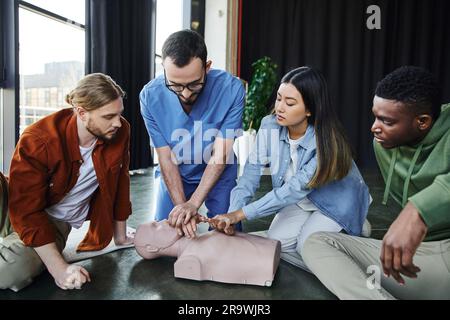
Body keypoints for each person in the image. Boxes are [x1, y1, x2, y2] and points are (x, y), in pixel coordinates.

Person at [302, 66, 450, 299]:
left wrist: (418, 210)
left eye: (387, 121)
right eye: (375, 116)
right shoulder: (382, 145)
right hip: (423, 259)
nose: (374, 127)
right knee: (316, 243)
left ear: (422, 121)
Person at [208, 66, 371, 270]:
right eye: (278, 98)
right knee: (277, 243)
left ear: (310, 109)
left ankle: (353, 222)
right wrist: (231, 215)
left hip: (334, 201)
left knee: (307, 247)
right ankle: (327, 242)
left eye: (290, 103)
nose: (279, 108)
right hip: (302, 200)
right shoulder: (269, 125)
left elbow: (293, 189)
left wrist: (241, 214)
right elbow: (250, 174)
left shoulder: (327, 143)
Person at [0, 73, 134, 292]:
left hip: (52, 220)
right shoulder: (38, 138)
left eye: (119, 114)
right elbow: (24, 208)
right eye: (108, 116)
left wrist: (120, 235)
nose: (118, 122)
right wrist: (60, 269)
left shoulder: (120, 131)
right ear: (82, 113)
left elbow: (121, 180)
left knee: (11, 273)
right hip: (14, 203)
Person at [140, 30, 245, 239]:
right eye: (176, 85)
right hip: (177, 173)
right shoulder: (149, 97)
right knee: (165, 235)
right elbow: (165, 158)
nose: (186, 94)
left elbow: (221, 154)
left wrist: (194, 203)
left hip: (219, 172)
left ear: (207, 68)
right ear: (164, 70)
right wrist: (183, 208)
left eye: (194, 84)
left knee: (227, 235)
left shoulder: (232, 89)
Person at [134, 219, 281, 287]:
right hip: (266, 261)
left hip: (270, 248)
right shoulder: (188, 260)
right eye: (156, 226)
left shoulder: (202, 238)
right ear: (151, 248)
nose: (163, 221)